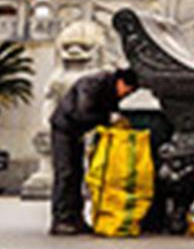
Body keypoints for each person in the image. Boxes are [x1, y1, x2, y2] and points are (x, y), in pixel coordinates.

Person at [47, 66, 135, 234]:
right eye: (127, 90)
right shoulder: (93, 84)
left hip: (77, 131)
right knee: (65, 173)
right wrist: (107, 118)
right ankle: (60, 219)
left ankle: (75, 218)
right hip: (64, 128)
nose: (125, 94)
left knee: (77, 173)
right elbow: (82, 112)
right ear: (121, 81)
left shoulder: (111, 89)